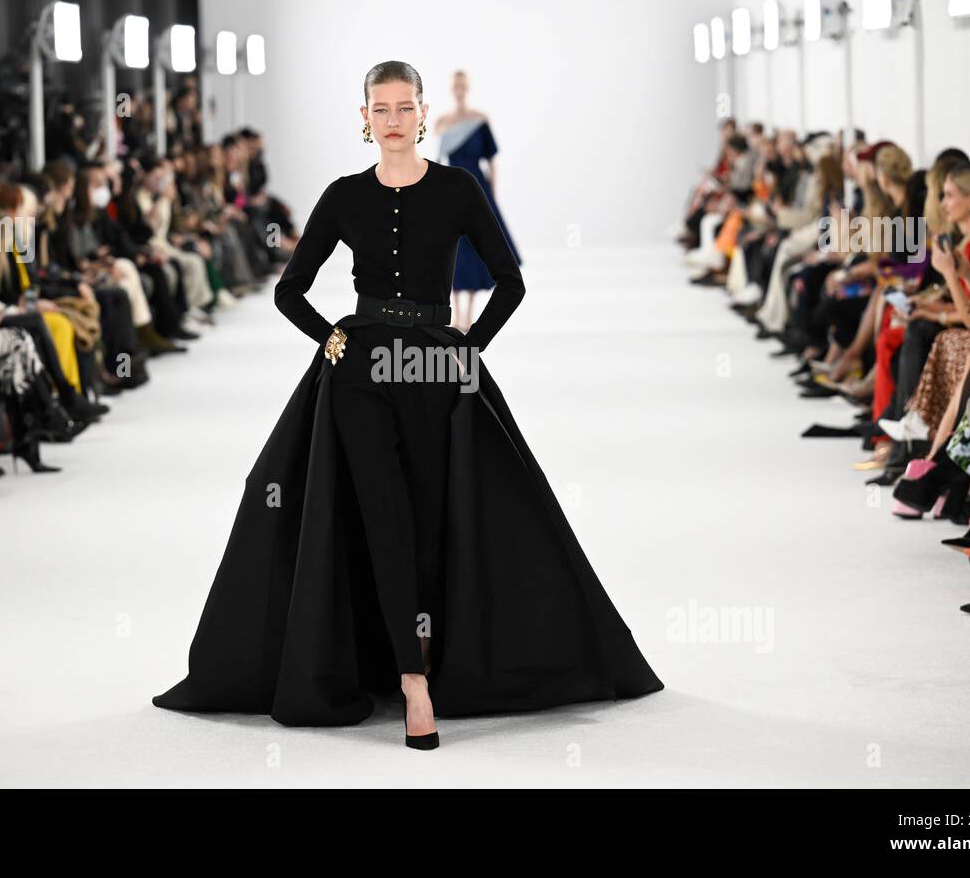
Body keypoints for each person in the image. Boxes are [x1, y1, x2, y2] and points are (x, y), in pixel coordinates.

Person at [153, 60, 663, 750]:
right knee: (384, 519)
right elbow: (289, 289)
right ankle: (411, 681)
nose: (393, 120)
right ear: (363, 117)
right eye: (380, 108)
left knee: (433, 519)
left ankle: (425, 653)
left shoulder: (458, 189)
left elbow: (510, 281)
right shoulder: (342, 196)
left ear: (423, 113)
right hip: (360, 372)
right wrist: (330, 336)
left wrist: (469, 348)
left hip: (433, 370)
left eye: (403, 107)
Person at [434, 70, 522, 332]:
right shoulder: (442, 123)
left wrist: (492, 195)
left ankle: (468, 315)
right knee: (453, 247)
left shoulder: (480, 121)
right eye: (456, 84)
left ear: (467, 87)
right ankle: (454, 313)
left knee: (475, 249)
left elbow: (491, 160)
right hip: (453, 190)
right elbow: (439, 162)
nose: (459, 88)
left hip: (478, 190)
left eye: (463, 84)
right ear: (452, 88)